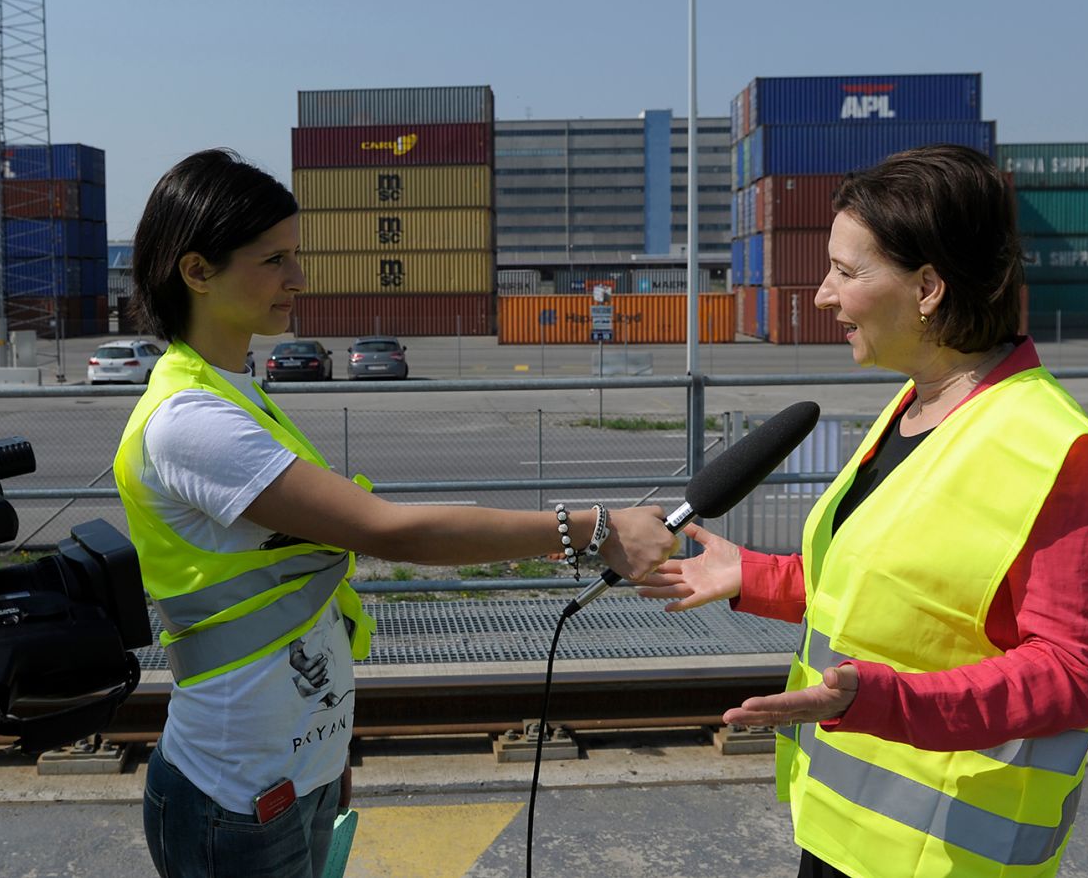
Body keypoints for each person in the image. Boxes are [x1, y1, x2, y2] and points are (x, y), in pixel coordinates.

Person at [115, 149, 678, 878]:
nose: (298, 278)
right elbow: (389, 530)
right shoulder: (191, 420)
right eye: (274, 259)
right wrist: (596, 527)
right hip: (236, 794)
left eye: (296, 255)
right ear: (197, 270)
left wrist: (328, 758)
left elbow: (295, 595)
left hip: (291, 774)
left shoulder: (233, 394)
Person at [639, 145, 1088, 878]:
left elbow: (1077, 672)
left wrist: (885, 702)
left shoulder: (1055, 452)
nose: (822, 296)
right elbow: (890, 588)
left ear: (928, 288)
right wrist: (751, 576)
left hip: (947, 856)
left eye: (846, 273)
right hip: (844, 836)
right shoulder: (916, 406)